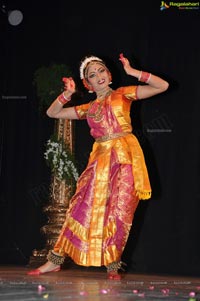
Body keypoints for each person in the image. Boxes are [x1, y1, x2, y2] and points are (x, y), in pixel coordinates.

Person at [27, 53, 169, 279]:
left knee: (120, 210)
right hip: (100, 161)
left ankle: (113, 264)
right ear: (88, 85)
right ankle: (54, 260)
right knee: (79, 208)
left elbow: (162, 86)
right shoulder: (88, 108)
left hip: (125, 158)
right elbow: (52, 112)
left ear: (110, 74)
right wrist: (67, 94)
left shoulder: (124, 94)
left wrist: (133, 73)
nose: (98, 76)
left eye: (101, 70)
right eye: (92, 75)